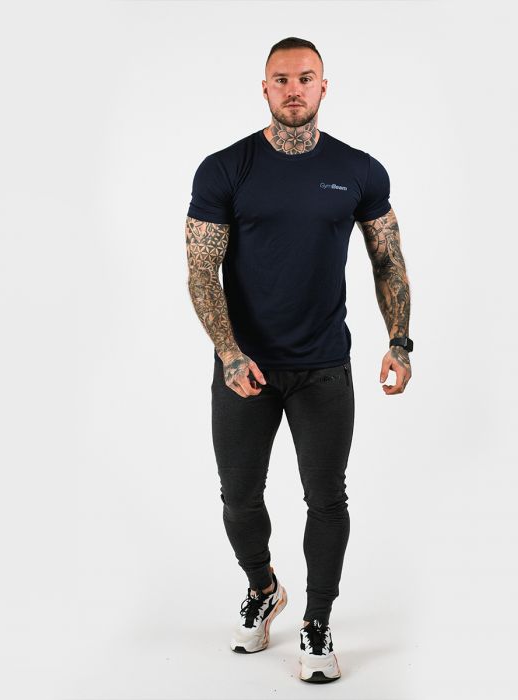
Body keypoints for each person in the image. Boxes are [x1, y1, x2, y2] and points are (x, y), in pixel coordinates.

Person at [185, 36, 412, 683]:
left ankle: (317, 621)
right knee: (238, 498)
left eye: (305, 78)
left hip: (323, 367)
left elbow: (388, 259)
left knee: (327, 498)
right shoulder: (225, 169)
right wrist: (230, 354)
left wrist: (399, 340)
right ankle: (263, 587)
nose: (293, 89)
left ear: (323, 86)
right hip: (246, 368)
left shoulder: (359, 170)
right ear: (265, 88)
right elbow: (201, 271)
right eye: (281, 79)